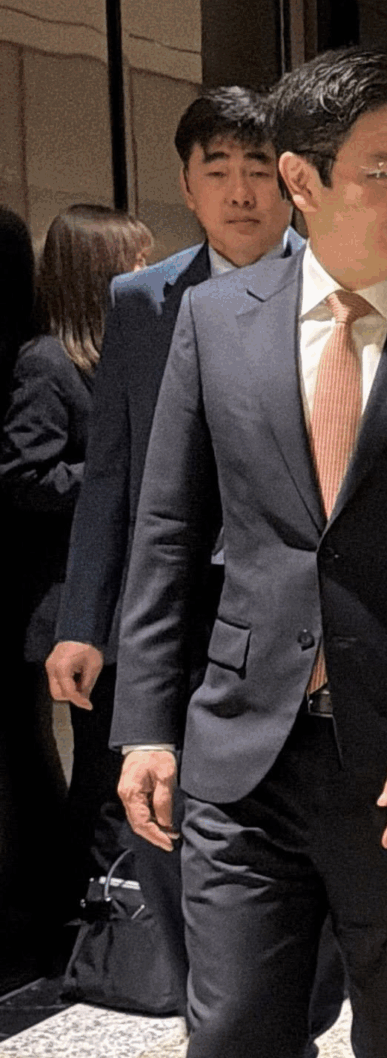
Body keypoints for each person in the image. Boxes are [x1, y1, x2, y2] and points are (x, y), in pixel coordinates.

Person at [111, 47, 387, 1057]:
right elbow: (168, 529)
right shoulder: (214, 324)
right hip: (242, 758)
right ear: (302, 181)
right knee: (234, 1033)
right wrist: (145, 725)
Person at [37, 88, 348, 1029]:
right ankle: (217, 1011)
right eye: (219, 171)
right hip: (173, 613)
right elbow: (114, 475)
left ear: (292, 182)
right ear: (186, 184)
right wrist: (84, 621)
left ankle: (295, 1010)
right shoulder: (143, 301)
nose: (241, 193)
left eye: (259, 171)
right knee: (166, 823)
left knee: (299, 828)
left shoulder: (333, 289)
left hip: (292, 615)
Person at [1, 204, 152, 927]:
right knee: (101, 764)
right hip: (78, 605)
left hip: (123, 598)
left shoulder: (112, 356)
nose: (147, 271)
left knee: (117, 757)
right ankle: (88, 908)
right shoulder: (47, 362)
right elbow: (22, 474)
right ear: (99, 272)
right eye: (135, 260)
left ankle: (101, 900)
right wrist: (118, 474)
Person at [0, 202, 55, 991]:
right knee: (24, 742)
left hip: (20, 575)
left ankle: (34, 901)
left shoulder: (32, 360)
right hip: (24, 574)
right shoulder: (33, 353)